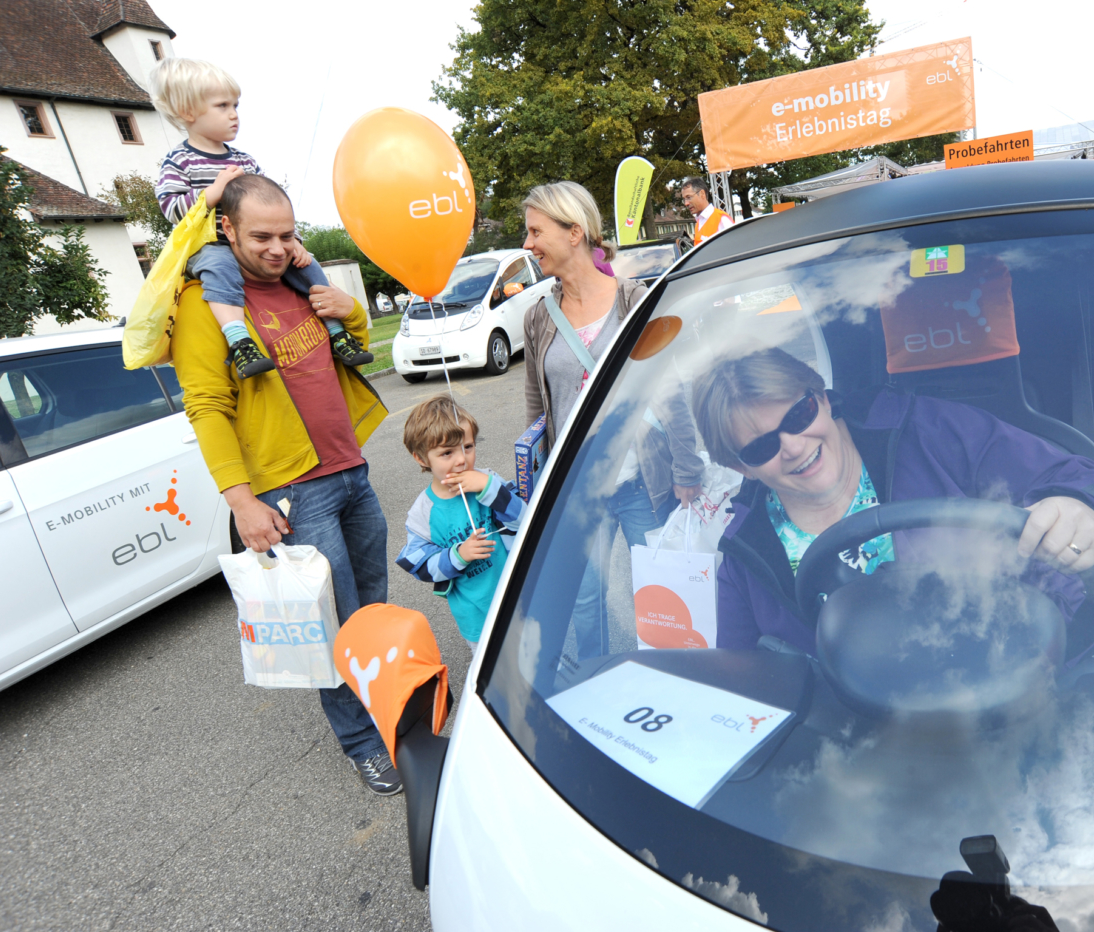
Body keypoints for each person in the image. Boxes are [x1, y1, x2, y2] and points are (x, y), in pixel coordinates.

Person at [691, 347, 1094, 659]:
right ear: (742, 467)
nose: (791, 446)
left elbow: (1087, 484)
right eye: (760, 447)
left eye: (798, 415)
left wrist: (1088, 510)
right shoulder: (745, 556)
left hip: (1045, 671)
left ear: (822, 398)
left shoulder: (926, 431)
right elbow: (740, 686)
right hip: (884, 751)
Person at [171, 173, 399, 796]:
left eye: (287, 234)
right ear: (227, 230)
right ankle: (362, 742)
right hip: (293, 489)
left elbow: (350, 352)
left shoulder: (303, 282)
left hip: (350, 471)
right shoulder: (206, 303)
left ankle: (388, 707)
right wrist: (242, 501)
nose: (277, 248)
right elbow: (207, 406)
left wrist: (351, 311)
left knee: (370, 610)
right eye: (261, 236)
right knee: (330, 625)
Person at [520, 181, 704, 658]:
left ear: (574, 232)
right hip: (578, 488)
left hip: (643, 481)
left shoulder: (634, 301)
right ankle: (595, 682)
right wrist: (535, 479)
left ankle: (672, 675)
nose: (528, 244)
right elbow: (536, 408)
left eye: (536, 231)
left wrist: (688, 469)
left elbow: (670, 390)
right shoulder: (539, 317)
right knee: (584, 602)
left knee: (661, 592)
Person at [150, 58, 373, 380]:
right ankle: (240, 342)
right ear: (188, 112)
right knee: (220, 268)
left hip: (252, 244)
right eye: (222, 105)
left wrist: (293, 242)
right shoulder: (179, 160)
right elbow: (171, 208)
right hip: (211, 245)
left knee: (305, 264)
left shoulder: (244, 159)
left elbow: (270, 206)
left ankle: (336, 331)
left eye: (235, 105)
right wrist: (213, 193)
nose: (233, 114)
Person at [396, 395, 526, 650]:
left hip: (521, 599)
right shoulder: (423, 512)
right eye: (447, 452)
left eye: (468, 446)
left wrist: (490, 489)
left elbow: (526, 521)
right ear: (421, 459)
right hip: (476, 616)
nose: (461, 460)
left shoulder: (489, 481)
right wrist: (459, 555)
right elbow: (418, 564)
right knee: (496, 680)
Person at [680, 176, 733, 246]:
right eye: (684, 199)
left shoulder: (721, 219)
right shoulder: (699, 222)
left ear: (702, 194)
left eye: (688, 197)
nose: (686, 203)